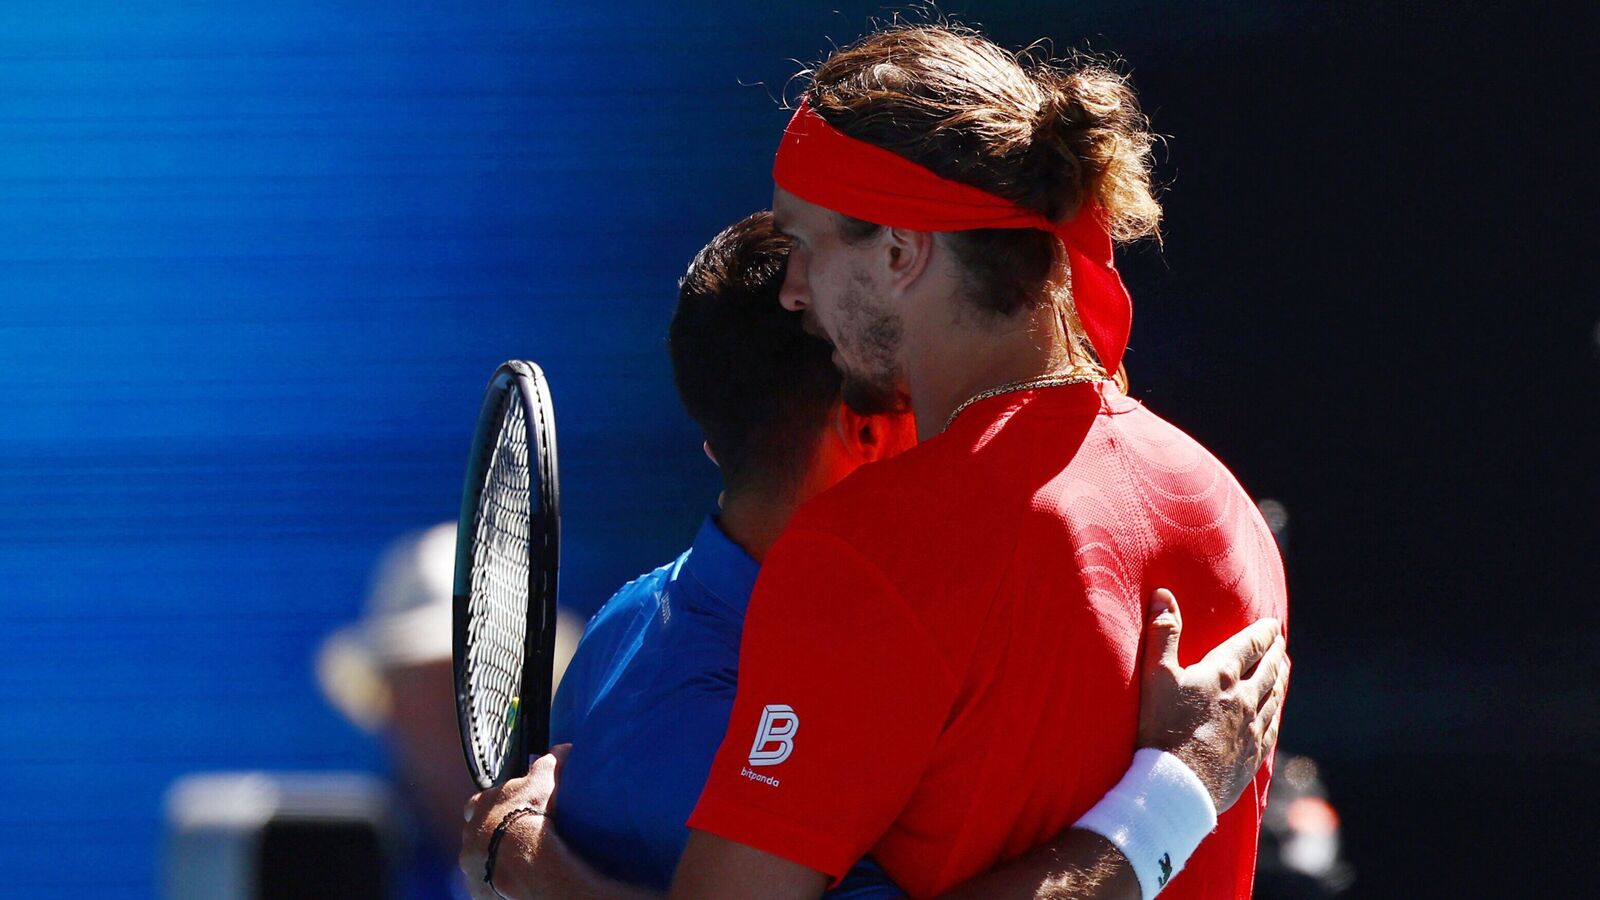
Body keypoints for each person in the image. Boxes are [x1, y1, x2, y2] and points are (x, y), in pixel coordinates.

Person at [460, 210, 1286, 899]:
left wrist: (523, 854)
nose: (972, 427)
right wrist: (1177, 789)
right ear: (864, 433)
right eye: (939, 399)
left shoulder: (624, 625)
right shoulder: (729, 719)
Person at [649, 23, 1289, 899]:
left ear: (901, 254)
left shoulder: (864, 548)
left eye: (804, 246)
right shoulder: (1226, 508)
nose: (791, 290)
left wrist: (543, 873)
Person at [316, 523, 583, 899]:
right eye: (428, 677)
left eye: (483, 667)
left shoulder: (594, 838)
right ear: (387, 701)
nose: (459, 699)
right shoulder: (323, 857)